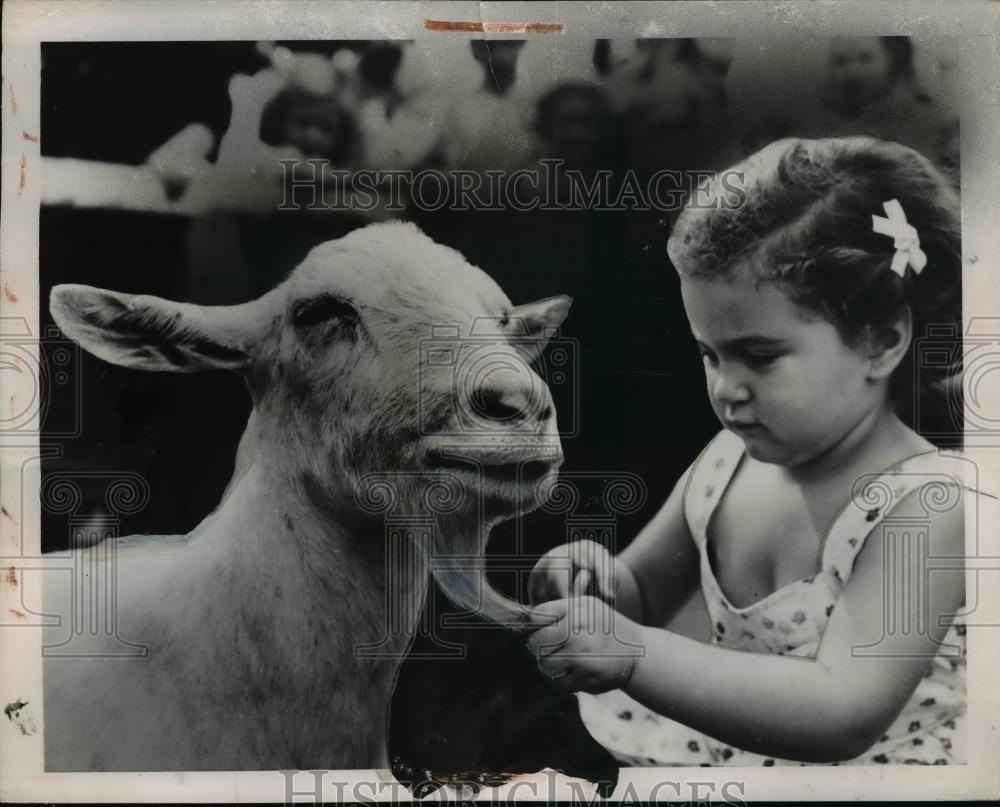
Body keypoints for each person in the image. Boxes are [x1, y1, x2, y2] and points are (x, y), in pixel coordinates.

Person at [525, 136, 976, 766]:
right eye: (710, 354)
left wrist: (631, 653)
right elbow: (642, 595)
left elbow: (842, 710)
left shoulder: (930, 506)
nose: (724, 388)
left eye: (759, 356)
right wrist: (594, 585)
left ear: (882, 340)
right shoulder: (727, 461)